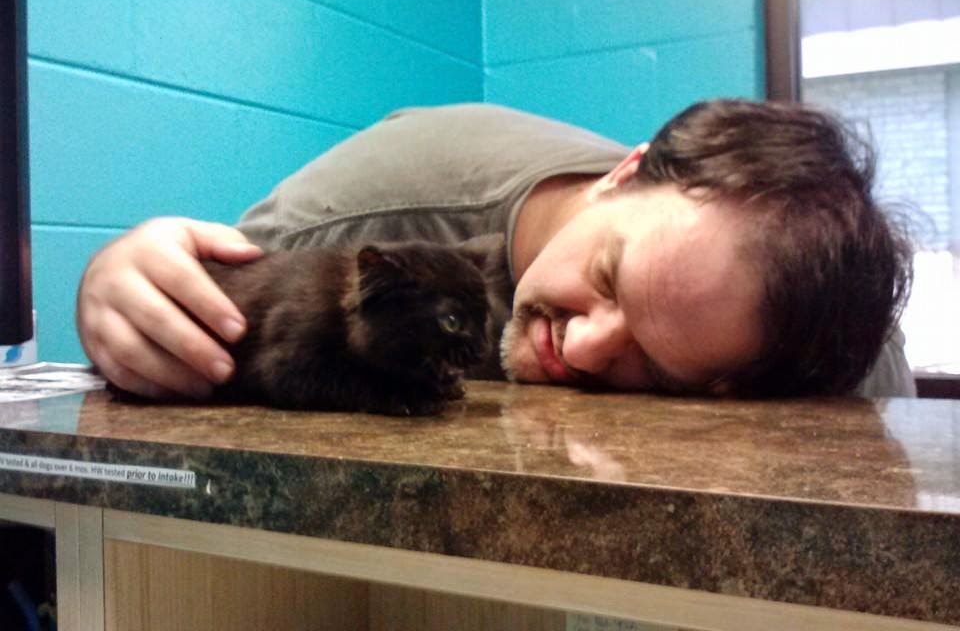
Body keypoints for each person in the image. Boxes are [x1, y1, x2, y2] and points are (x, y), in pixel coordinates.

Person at [76, 99, 915, 401]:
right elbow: (184, 312)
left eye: (655, 369)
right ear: (622, 177)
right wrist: (114, 288)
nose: (578, 349)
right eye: (607, 278)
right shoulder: (368, 212)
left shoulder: (838, 351)